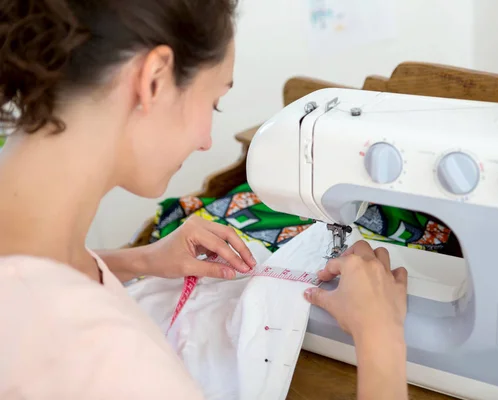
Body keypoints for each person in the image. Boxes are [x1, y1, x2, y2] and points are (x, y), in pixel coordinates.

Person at [0, 1, 409, 399]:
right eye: (214, 102)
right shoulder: (110, 361)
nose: (207, 140)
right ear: (155, 78)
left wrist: (140, 260)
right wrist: (381, 338)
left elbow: (40, 273)